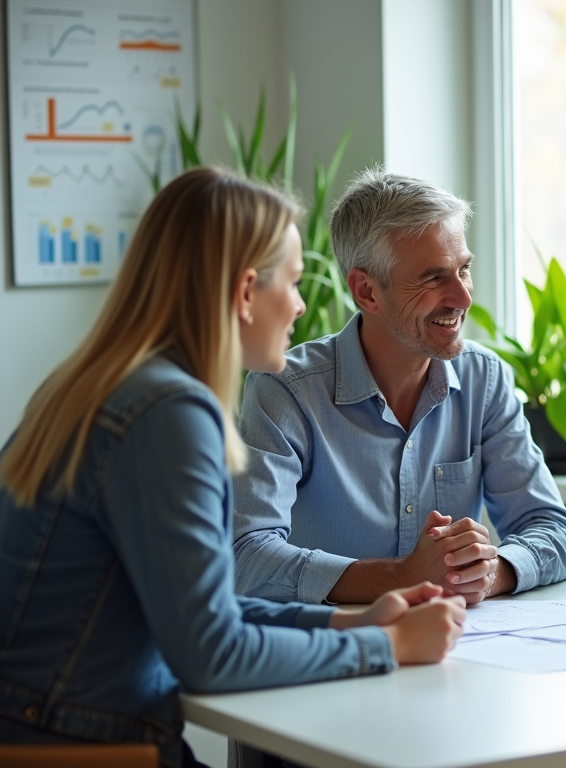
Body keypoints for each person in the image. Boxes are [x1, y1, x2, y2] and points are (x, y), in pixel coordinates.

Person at [0, 167, 465, 768]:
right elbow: (212, 655)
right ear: (246, 292)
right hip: (87, 744)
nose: (300, 307)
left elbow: (205, 606)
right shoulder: (169, 413)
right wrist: (387, 646)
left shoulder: (102, 384)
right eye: (294, 283)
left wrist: (345, 626)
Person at [232, 169, 566, 606]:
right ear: (367, 292)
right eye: (434, 278)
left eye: (464, 270)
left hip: (455, 652)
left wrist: (489, 572)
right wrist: (403, 577)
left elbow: (554, 529)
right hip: (335, 655)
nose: (463, 297)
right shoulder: (285, 391)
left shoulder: (483, 378)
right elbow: (247, 557)